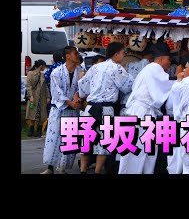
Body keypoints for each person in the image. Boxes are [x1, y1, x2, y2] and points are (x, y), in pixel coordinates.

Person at [77, 42, 134, 174]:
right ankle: (97, 171)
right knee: (105, 142)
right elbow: (127, 87)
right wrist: (126, 71)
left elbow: (83, 89)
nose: (124, 55)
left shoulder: (95, 67)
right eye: (123, 53)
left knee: (86, 140)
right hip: (106, 108)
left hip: (90, 108)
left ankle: (83, 170)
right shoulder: (117, 68)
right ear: (116, 54)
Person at [118, 43, 174, 174]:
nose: (169, 63)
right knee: (137, 151)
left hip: (142, 113)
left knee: (144, 151)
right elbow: (166, 87)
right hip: (141, 113)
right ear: (160, 59)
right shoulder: (154, 68)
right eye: (168, 60)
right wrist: (179, 79)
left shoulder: (149, 69)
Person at [41, 46, 83, 174]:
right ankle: (50, 167)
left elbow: (82, 87)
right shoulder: (57, 72)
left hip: (73, 111)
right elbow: (56, 92)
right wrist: (70, 102)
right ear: (68, 56)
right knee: (54, 138)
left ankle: (62, 167)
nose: (77, 55)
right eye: (75, 53)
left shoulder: (80, 71)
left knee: (69, 139)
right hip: (59, 109)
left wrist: (77, 97)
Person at [26, 60, 50, 137]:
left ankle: (39, 130)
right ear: (41, 66)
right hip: (34, 96)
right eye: (44, 66)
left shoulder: (42, 75)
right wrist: (31, 96)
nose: (44, 68)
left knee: (42, 114)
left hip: (42, 97)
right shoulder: (30, 73)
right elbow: (28, 86)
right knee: (32, 113)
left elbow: (45, 87)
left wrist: (48, 97)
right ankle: (31, 129)